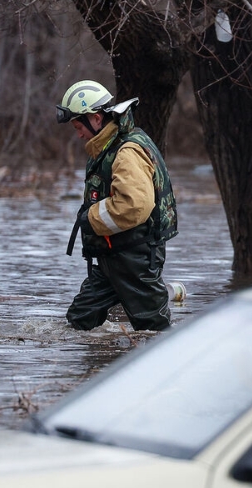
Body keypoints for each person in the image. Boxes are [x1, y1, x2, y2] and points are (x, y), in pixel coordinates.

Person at [57, 80, 178, 331]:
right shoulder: (108, 147)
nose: (78, 134)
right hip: (112, 257)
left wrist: (89, 218)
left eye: (79, 126)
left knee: (154, 331)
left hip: (135, 258)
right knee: (79, 322)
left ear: (97, 118)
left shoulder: (127, 151)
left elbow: (133, 206)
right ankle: (93, 367)